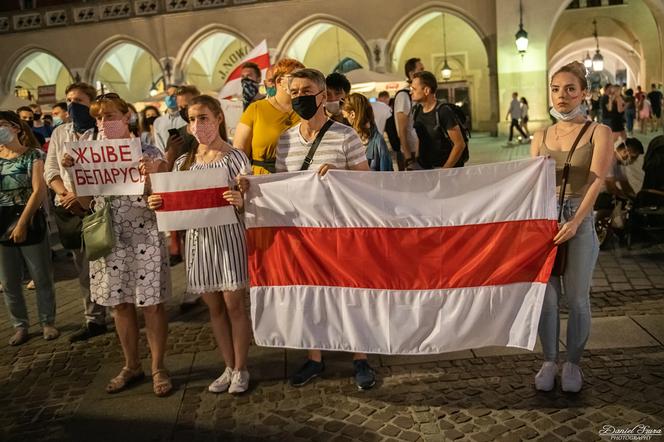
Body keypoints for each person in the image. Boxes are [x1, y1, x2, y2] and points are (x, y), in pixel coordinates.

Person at [62, 93, 172, 397]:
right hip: (111, 238)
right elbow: (83, 204)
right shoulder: (89, 154)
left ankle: (158, 367)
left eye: (109, 116)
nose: (102, 123)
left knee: (152, 305)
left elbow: (164, 196)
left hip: (146, 234)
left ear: (127, 118)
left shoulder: (149, 151)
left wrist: (151, 174)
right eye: (98, 117)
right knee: (121, 305)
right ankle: (131, 364)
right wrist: (73, 172)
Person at [271, 68, 374, 390]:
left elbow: (368, 182)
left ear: (323, 95)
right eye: (295, 91)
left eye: (307, 90)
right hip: (303, 233)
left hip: (341, 231)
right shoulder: (285, 141)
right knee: (309, 294)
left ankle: (361, 356)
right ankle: (314, 357)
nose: (300, 96)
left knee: (351, 294)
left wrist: (342, 178)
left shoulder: (345, 135)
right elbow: (280, 186)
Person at [148, 95, 252, 394]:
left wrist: (241, 200)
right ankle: (229, 365)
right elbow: (175, 201)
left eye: (203, 117)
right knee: (214, 308)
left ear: (219, 118)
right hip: (198, 241)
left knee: (234, 305)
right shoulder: (183, 162)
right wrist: (158, 202)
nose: (197, 124)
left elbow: (251, 199)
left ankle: (242, 368)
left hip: (229, 238)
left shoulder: (235, 157)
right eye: (192, 119)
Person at [531, 61, 612, 393]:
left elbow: (597, 182)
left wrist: (576, 222)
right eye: (555, 89)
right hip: (545, 223)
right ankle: (549, 360)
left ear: (584, 93)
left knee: (577, 298)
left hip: (579, 220)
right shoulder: (541, 135)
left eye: (569, 89)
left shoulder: (599, 132)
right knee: (546, 299)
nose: (561, 96)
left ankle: (573, 363)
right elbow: (530, 184)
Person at [44, 82, 108, 343]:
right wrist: (63, 193)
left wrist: (84, 196)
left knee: (106, 261)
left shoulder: (101, 131)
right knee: (83, 267)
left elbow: (107, 169)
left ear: (91, 104)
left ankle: (119, 308)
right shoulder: (61, 133)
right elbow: (51, 170)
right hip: (69, 208)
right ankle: (94, 318)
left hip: (97, 207)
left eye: (79, 100)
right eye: (69, 99)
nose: (72, 104)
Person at [0, 111, 58, 346]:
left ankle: (47, 322)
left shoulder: (33, 155)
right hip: (1, 220)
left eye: (2, 124)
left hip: (28, 217)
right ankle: (20, 325)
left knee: (40, 275)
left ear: (16, 128)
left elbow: (39, 190)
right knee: (9, 281)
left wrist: (23, 222)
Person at [234, 58, 304, 175]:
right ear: (280, 81)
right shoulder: (255, 109)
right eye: (296, 77)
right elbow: (239, 153)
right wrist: (242, 178)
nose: (302, 82)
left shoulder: (306, 110)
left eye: (304, 77)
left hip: (297, 180)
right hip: (262, 181)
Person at [411, 71, 467, 169]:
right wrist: (416, 161)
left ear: (426, 90)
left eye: (414, 89)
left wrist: (444, 170)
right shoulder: (416, 110)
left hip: (445, 171)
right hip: (426, 169)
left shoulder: (443, 112)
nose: (411, 92)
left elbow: (459, 144)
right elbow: (421, 138)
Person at [342, 93, 393, 171]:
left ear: (352, 115)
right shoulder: (352, 139)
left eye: (346, 118)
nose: (345, 121)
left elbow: (386, 176)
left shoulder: (377, 142)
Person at [394, 57, 424, 169]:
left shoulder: (417, 95)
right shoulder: (404, 96)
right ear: (412, 74)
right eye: (421, 69)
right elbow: (402, 130)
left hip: (418, 151)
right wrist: (408, 158)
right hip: (410, 152)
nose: (424, 72)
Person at [153, 85, 187, 152]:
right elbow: (159, 146)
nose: (170, 97)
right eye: (168, 94)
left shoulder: (186, 118)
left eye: (174, 94)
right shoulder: (158, 122)